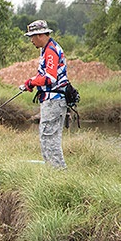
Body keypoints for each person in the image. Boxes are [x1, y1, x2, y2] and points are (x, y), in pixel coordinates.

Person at [20, 19, 69, 169]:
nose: (31, 41)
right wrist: (31, 83)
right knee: (47, 137)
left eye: (32, 37)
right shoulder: (46, 49)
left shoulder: (50, 51)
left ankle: (58, 173)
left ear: (40, 35)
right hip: (51, 99)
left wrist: (32, 82)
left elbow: (50, 77)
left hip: (54, 100)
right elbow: (44, 75)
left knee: (49, 138)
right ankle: (53, 172)